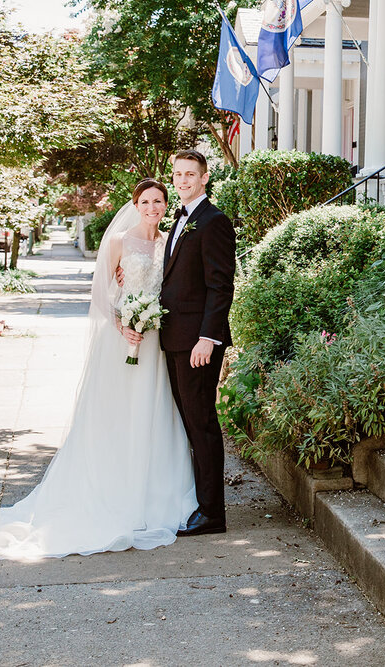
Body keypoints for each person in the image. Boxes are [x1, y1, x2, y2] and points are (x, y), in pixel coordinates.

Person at [0, 180, 196, 560]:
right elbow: (100, 295)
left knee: (154, 411)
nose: (152, 207)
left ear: (166, 205)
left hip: (156, 342)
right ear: (135, 204)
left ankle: (154, 492)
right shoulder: (118, 241)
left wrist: (149, 319)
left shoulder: (170, 243)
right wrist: (123, 323)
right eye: (145, 201)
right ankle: (112, 488)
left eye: (158, 201)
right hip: (122, 341)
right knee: (115, 415)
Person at [157, 150, 236, 536]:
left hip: (197, 344)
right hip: (175, 338)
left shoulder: (213, 221)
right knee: (189, 423)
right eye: (177, 175)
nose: (183, 180)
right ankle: (198, 502)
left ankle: (212, 513)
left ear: (205, 178)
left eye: (190, 174)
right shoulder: (180, 219)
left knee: (202, 423)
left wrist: (208, 338)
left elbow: (220, 286)